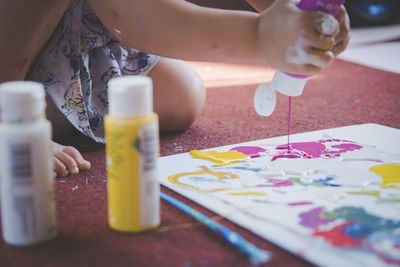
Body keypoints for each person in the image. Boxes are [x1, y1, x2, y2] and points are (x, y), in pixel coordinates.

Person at [0, 0, 350, 177]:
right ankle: (10, 115)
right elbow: (130, 14)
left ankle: (45, 100)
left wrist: (295, 11)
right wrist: (260, 37)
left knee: (181, 96)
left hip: (76, 26)